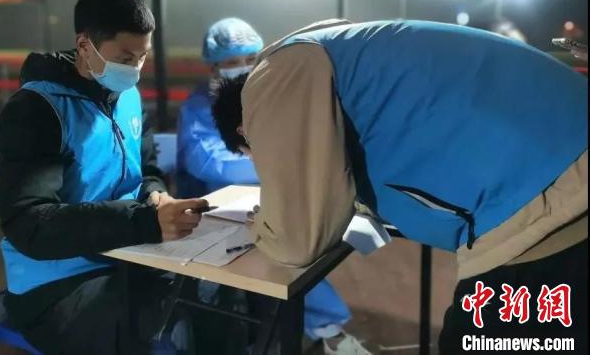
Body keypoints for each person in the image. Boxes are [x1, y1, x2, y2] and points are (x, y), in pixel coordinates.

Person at [211, 19, 587, 353]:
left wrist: (263, 224)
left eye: (253, 153)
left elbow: (297, 243)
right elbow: (355, 194)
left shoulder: (277, 77)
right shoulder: (334, 54)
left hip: (546, 195)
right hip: (554, 168)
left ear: (247, 129)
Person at [0, 0, 209, 354]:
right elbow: (30, 224)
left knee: (212, 298)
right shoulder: (37, 110)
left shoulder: (128, 96)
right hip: (56, 279)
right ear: (84, 45)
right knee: (143, 332)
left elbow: (146, 169)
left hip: (125, 251)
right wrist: (143, 221)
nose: (135, 69)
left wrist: (155, 195)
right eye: (125, 58)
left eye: (142, 57)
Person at [178, 18, 370, 355]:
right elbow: (209, 164)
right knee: (271, 266)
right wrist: (277, 162)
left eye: (251, 58)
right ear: (213, 66)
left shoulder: (268, 95)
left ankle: (325, 331)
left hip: (261, 202)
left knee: (295, 255)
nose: (243, 67)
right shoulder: (196, 107)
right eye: (232, 61)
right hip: (210, 216)